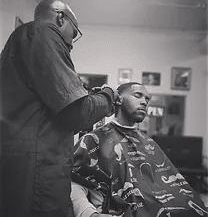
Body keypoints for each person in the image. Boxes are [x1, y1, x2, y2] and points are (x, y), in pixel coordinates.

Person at [0, 0, 119, 217]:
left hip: (22, 166)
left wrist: (93, 98)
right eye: (74, 34)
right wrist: (108, 96)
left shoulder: (20, 42)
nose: (72, 44)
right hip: (37, 170)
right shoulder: (41, 33)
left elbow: (59, 109)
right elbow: (78, 112)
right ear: (61, 17)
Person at [71, 82, 208, 217]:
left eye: (147, 99)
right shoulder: (93, 139)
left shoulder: (148, 142)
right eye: (138, 95)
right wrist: (89, 214)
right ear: (118, 99)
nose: (144, 102)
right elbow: (74, 182)